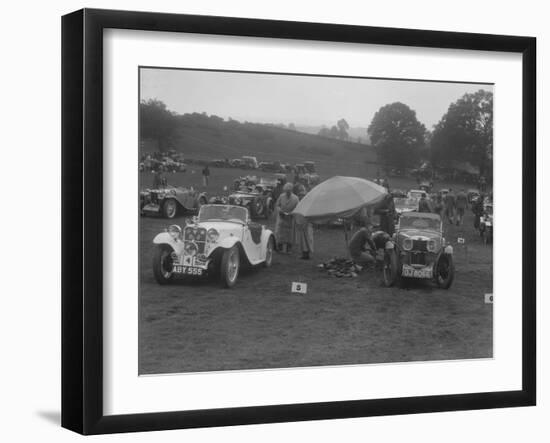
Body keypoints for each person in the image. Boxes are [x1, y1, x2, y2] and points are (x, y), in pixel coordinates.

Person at [274, 183, 299, 254]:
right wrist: (280, 211)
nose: (287, 193)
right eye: (286, 191)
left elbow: (298, 208)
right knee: (280, 232)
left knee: (290, 233)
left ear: (291, 190)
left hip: (290, 218)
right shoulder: (281, 196)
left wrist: (292, 213)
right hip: (281, 217)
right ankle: (279, 247)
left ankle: (289, 249)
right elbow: (277, 205)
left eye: (289, 191)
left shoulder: (296, 198)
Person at [294, 188, 314, 260]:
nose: (300, 196)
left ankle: (306, 254)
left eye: (302, 195)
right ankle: (304, 254)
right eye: (299, 195)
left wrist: (304, 224)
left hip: (306, 225)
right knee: (302, 240)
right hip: (300, 224)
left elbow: (308, 215)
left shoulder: (308, 204)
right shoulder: (299, 203)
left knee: (307, 240)